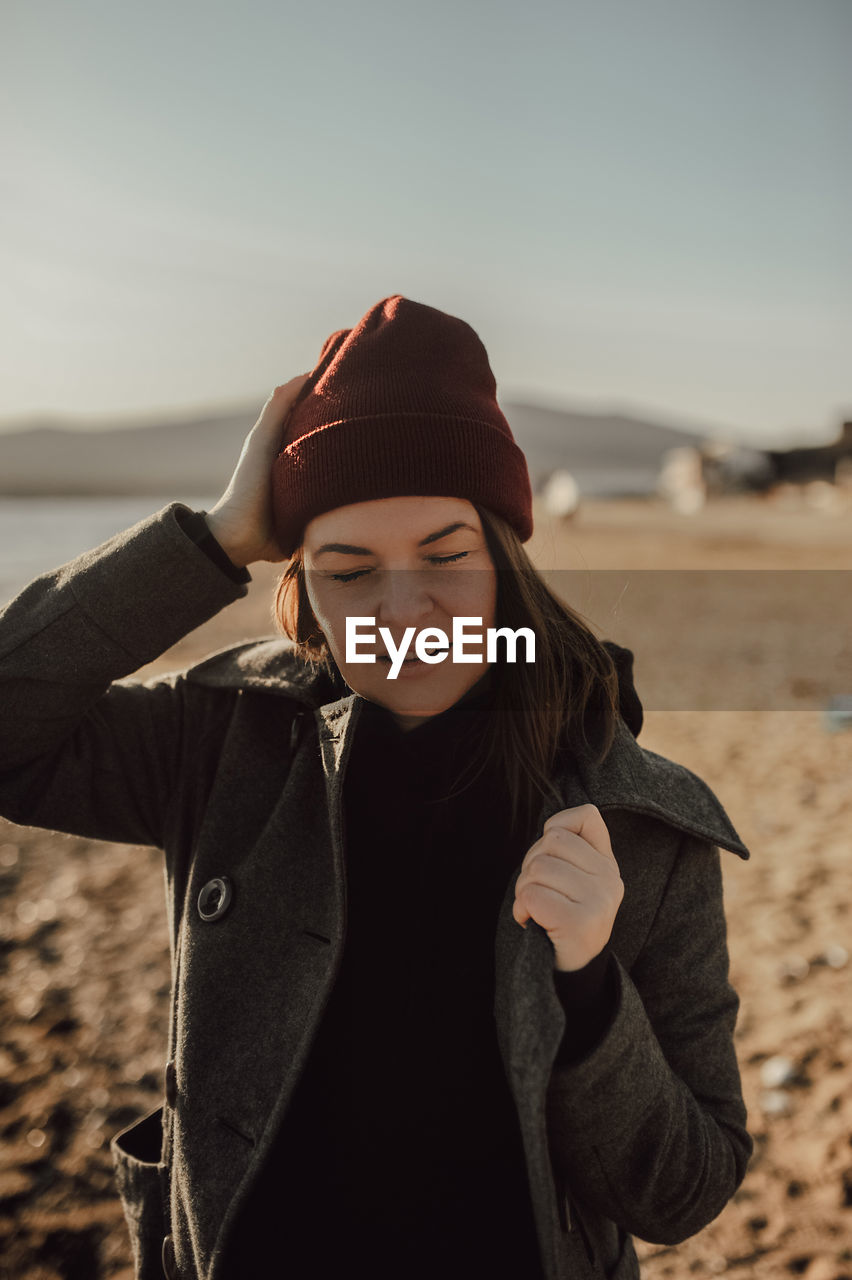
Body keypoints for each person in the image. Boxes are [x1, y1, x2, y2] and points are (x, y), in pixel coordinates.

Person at [0, 294, 752, 1280]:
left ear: (507, 557)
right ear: (297, 577)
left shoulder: (647, 826)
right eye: (347, 569)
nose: (402, 611)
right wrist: (214, 536)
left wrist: (592, 983)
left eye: (446, 556)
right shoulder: (216, 742)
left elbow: (682, 1193)